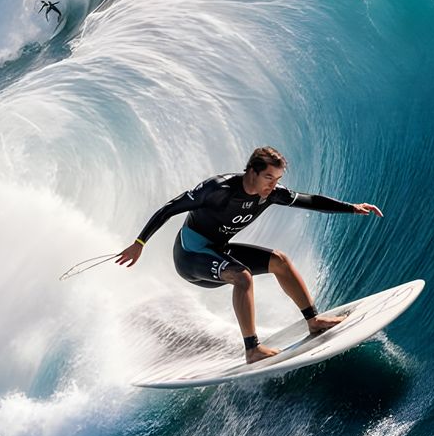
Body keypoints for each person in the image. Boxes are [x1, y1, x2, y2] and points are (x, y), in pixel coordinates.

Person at [116, 145, 382, 363]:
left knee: (279, 261)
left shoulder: (271, 195)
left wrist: (352, 207)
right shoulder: (217, 189)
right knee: (242, 276)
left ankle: (314, 321)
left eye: (278, 179)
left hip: (218, 250)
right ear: (252, 171)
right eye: (269, 178)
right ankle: (252, 349)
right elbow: (170, 208)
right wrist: (139, 242)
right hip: (190, 257)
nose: (273, 185)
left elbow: (310, 200)